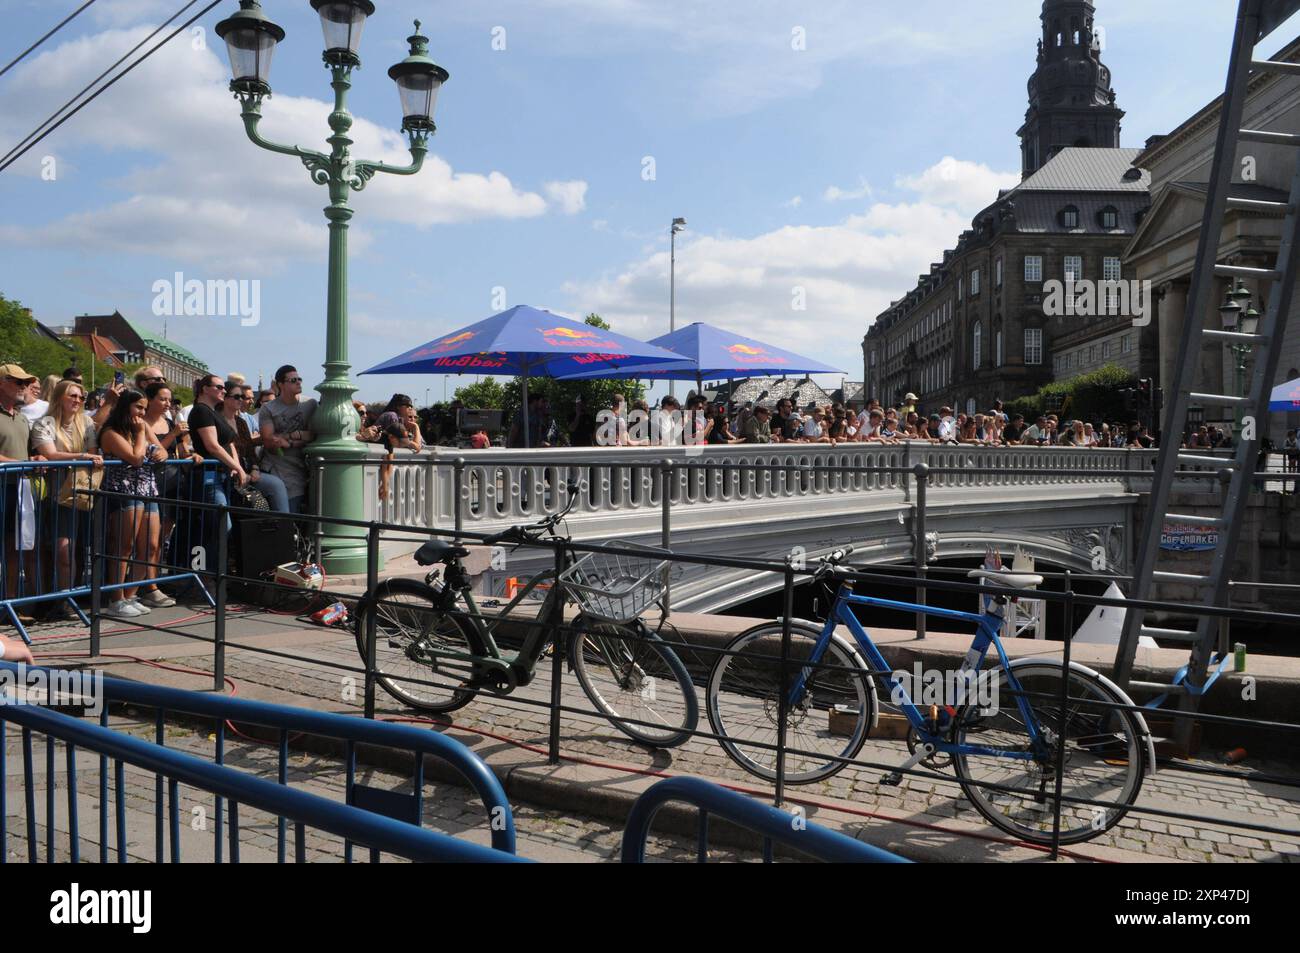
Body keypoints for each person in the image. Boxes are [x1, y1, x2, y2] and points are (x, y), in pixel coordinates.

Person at [30, 379, 102, 606]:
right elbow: (50, 454)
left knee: (80, 549)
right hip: (55, 494)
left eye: (81, 397)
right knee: (61, 550)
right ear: (59, 396)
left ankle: (71, 597)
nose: (78, 401)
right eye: (72, 396)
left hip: (83, 493)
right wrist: (82, 457)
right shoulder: (45, 423)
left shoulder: (87, 422)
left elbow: (94, 453)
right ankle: (61, 599)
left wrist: (85, 457)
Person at [97, 389, 167, 619]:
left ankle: (131, 594)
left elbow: (161, 448)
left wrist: (161, 453)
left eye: (145, 408)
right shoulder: (111, 432)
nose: (142, 412)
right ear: (125, 406)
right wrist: (140, 434)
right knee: (124, 547)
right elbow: (136, 458)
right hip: (123, 490)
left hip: (147, 489)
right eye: (138, 407)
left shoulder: (142, 427)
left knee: (151, 545)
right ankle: (116, 598)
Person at [0, 364, 37, 613]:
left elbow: (29, 452)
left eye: (25, 383)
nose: (23, 387)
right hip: (3, 488)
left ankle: (10, 603)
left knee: (14, 548)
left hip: (19, 489)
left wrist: (38, 459)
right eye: (17, 382)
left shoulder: (22, 417)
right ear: (2, 383)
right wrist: (23, 463)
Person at [258, 366, 318, 513]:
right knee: (288, 515)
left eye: (299, 379)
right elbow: (268, 440)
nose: (298, 383)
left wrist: (291, 438)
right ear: (280, 384)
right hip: (277, 468)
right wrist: (302, 436)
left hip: (304, 467)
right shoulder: (269, 409)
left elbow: (315, 434)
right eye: (293, 380)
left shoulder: (310, 404)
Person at [223, 382, 289, 513]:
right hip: (227, 473)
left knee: (276, 485)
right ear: (225, 398)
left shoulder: (241, 422)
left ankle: (284, 527)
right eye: (237, 397)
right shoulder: (217, 419)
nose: (241, 400)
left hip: (247, 472)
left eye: (242, 397)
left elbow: (249, 450)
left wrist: (254, 468)